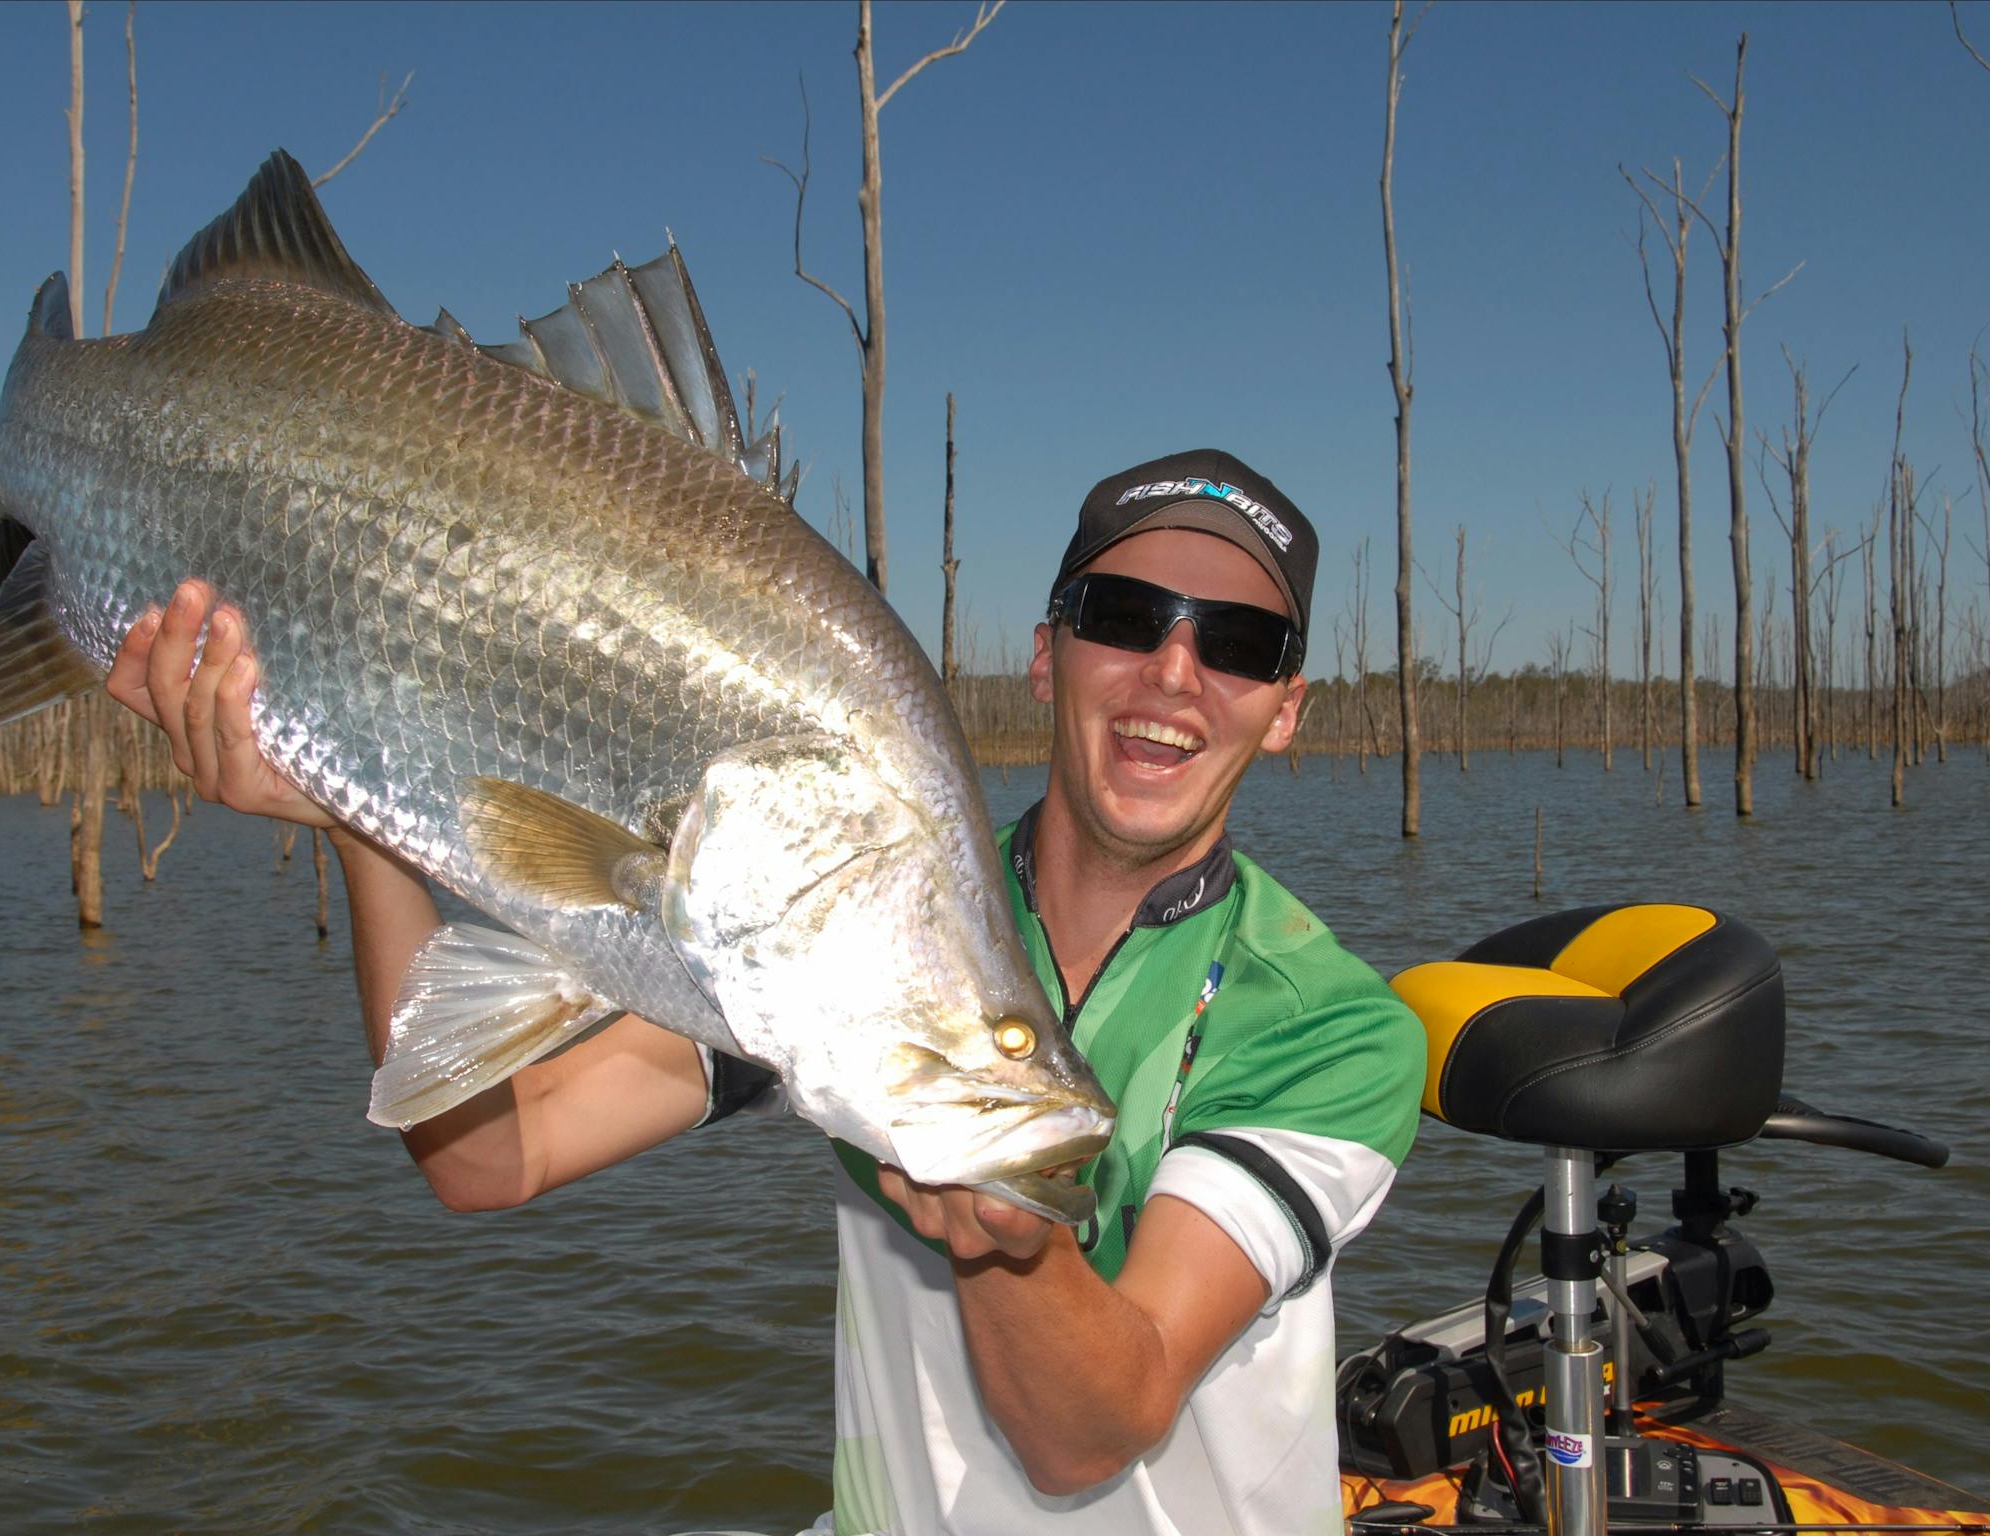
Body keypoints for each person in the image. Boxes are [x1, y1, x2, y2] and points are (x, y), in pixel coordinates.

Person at [108, 446, 1425, 1536]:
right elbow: (490, 1154)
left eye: (1239, 645)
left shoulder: (1330, 1024)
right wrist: (361, 808)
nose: (1174, 675)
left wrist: (1005, 1236)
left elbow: (1094, 1426)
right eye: (1128, 621)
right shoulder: (843, 926)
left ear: (1287, 707)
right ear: (1049, 655)